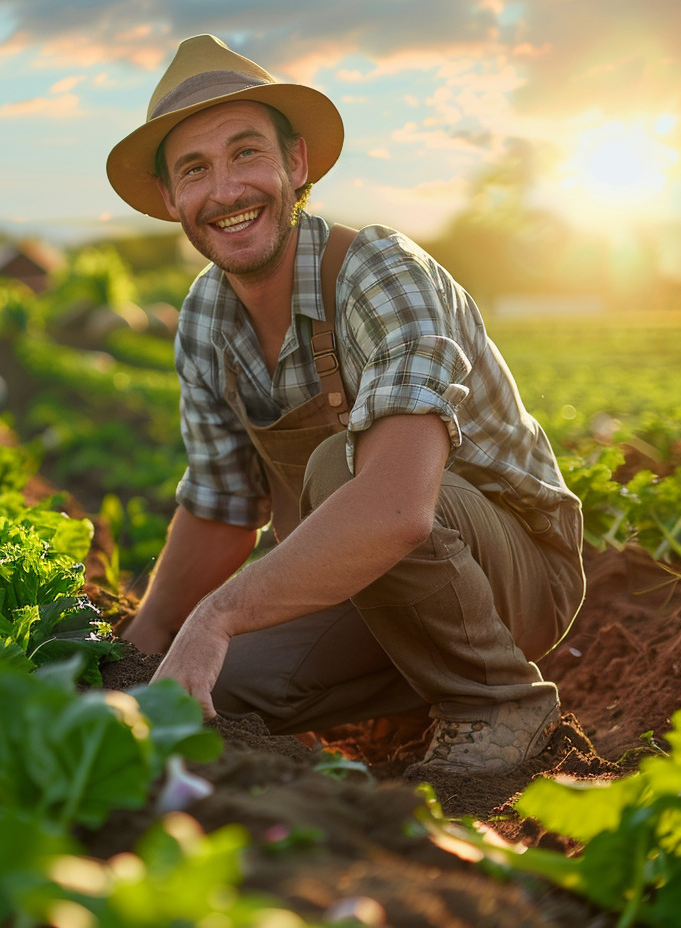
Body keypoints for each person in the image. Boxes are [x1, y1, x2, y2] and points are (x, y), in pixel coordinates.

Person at [105, 34, 586, 776]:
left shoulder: (378, 272)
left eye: (246, 154)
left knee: (345, 465)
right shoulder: (205, 317)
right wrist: (139, 656)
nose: (226, 190)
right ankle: (418, 680)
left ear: (296, 165)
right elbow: (222, 507)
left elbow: (397, 508)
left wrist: (220, 614)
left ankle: (495, 699)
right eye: (195, 169)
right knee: (212, 689)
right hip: (363, 586)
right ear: (172, 199)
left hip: (510, 575)